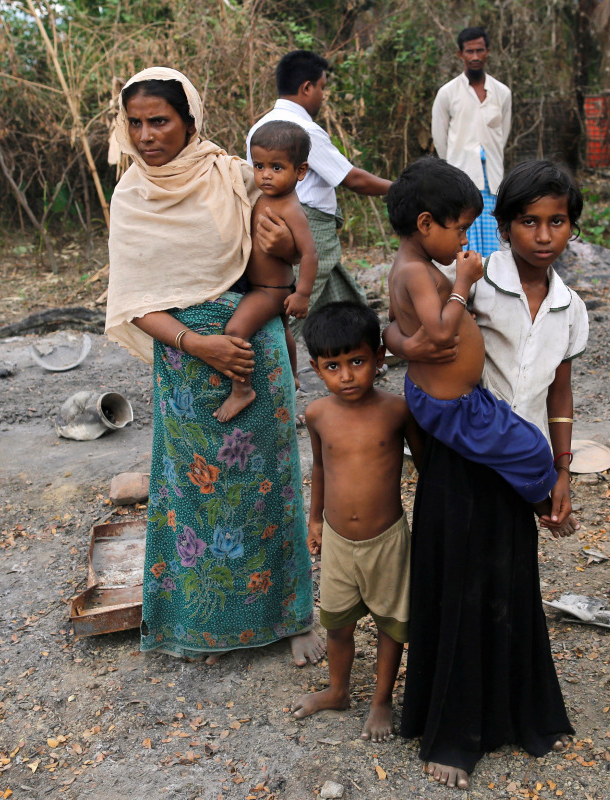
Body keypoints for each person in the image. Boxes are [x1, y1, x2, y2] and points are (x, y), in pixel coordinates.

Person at [104, 67, 325, 667]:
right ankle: (203, 625)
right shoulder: (132, 197)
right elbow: (131, 300)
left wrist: (280, 261)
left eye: (160, 121)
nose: (147, 135)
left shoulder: (233, 175)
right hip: (185, 364)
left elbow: (284, 252)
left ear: (191, 120)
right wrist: (197, 344)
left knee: (269, 490)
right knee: (196, 502)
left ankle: (291, 617)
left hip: (255, 348)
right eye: (137, 123)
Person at [388, 160, 588, 789]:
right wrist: (398, 343)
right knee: (457, 582)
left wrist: (561, 467)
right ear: (501, 227)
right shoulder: (468, 277)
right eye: (529, 221)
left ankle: (513, 713)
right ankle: (450, 730)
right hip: (460, 452)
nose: (544, 234)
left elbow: (560, 392)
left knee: (508, 579)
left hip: (516, 453)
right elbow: (406, 323)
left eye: (558, 222)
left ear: (572, 229)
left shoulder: (569, 307)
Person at [386, 157, 557, 515]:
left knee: (516, 444)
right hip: (454, 405)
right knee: (535, 449)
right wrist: (462, 284)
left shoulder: (410, 267)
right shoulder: (417, 272)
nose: (465, 239)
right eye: (461, 229)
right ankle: (545, 508)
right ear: (426, 223)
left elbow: (396, 321)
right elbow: (441, 332)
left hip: (449, 397)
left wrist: (460, 310)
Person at [292, 302, 423, 742]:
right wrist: (314, 520)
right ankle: (338, 689)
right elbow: (321, 468)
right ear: (316, 368)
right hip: (337, 539)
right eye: (333, 366)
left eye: (357, 362)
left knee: (391, 623)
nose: (346, 376)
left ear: (379, 358)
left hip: (387, 539)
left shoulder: (397, 411)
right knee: (338, 624)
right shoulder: (317, 415)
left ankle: (382, 699)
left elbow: (427, 470)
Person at [246, 50, 391, 334]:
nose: (323, 96)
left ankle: (366, 354)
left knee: (345, 302)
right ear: (307, 87)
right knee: (290, 309)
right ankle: (266, 363)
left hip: (282, 220)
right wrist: (404, 188)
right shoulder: (303, 131)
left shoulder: (260, 127)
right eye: (322, 87)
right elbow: (353, 179)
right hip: (308, 226)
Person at [216, 120, 320, 422]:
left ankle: (242, 390)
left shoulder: (290, 207)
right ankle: (293, 376)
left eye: (277, 167)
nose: (265, 175)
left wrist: (303, 294)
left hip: (270, 291)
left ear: (300, 171)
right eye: (259, 166)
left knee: (235, 331)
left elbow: (310, 253)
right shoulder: (264, 197)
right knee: (283, 330)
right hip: (264, 286)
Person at [431, 26, 512, 257]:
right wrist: (453, 170)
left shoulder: (502, 93)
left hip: (494, 182)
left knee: (496, 247)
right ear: (460, 54)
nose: (475, 56)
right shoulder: (447, 93)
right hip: (462, 181)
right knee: (464, 242)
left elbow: (502, 135)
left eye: (480, 50)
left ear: (488, 52)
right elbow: (440, 138)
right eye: (470, 51)